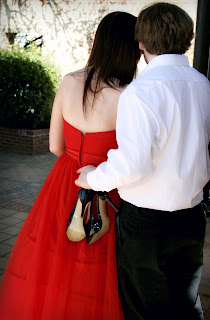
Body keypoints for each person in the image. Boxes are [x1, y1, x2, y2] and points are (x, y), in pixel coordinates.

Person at [75, 3, 210, 320]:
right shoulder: (201, 83)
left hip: (147, 225)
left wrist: (93, 178)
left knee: (142, 309)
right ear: (188, 39)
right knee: (183, 307)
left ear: (141, 44)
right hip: (192, 217)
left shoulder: (141, 91)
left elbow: (133, 165)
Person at [0, 12, 141, 320]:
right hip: (107, 186)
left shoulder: (68, 81)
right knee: (98, 265)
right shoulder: (128, 95)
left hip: (64, 179)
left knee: (55, 257)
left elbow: (54, 146)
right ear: (130, 48)